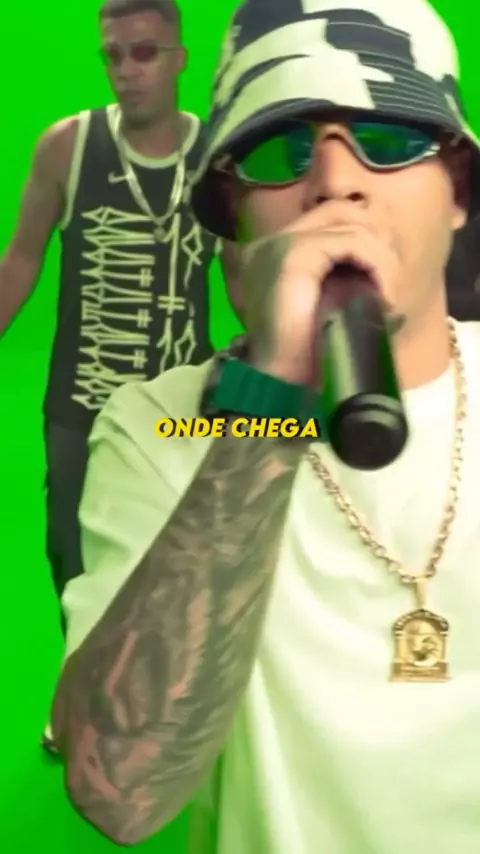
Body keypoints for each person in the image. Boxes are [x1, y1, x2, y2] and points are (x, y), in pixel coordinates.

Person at [50, 0, 480, 852]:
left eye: (389, 139)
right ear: (234, 219)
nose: (335, 183)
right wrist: (273, 397)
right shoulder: (158, 426)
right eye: (280, 152)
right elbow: (119, 792)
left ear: (459, 194)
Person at [0, 1, 239, 637]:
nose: (127, 70)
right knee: (73, 563)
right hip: (79, 404)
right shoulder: (66, 147)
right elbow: (20, 261)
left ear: (178, 59)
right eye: (113, 54)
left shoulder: (215, 158)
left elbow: (241, 277)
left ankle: (166, 685)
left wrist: (285, 364)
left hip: (179, 407)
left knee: (181, 560)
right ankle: (83, 678)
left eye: (144, 53)